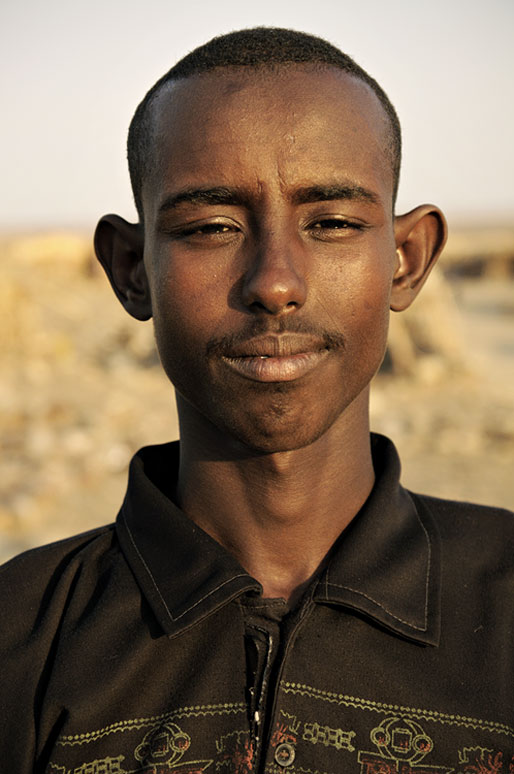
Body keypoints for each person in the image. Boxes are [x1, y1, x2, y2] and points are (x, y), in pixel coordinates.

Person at [1, 27, 513, 774]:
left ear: (405, 261)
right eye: (211, 227)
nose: (275, 283)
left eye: (332, 223)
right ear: (130, 271)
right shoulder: (22, 636)